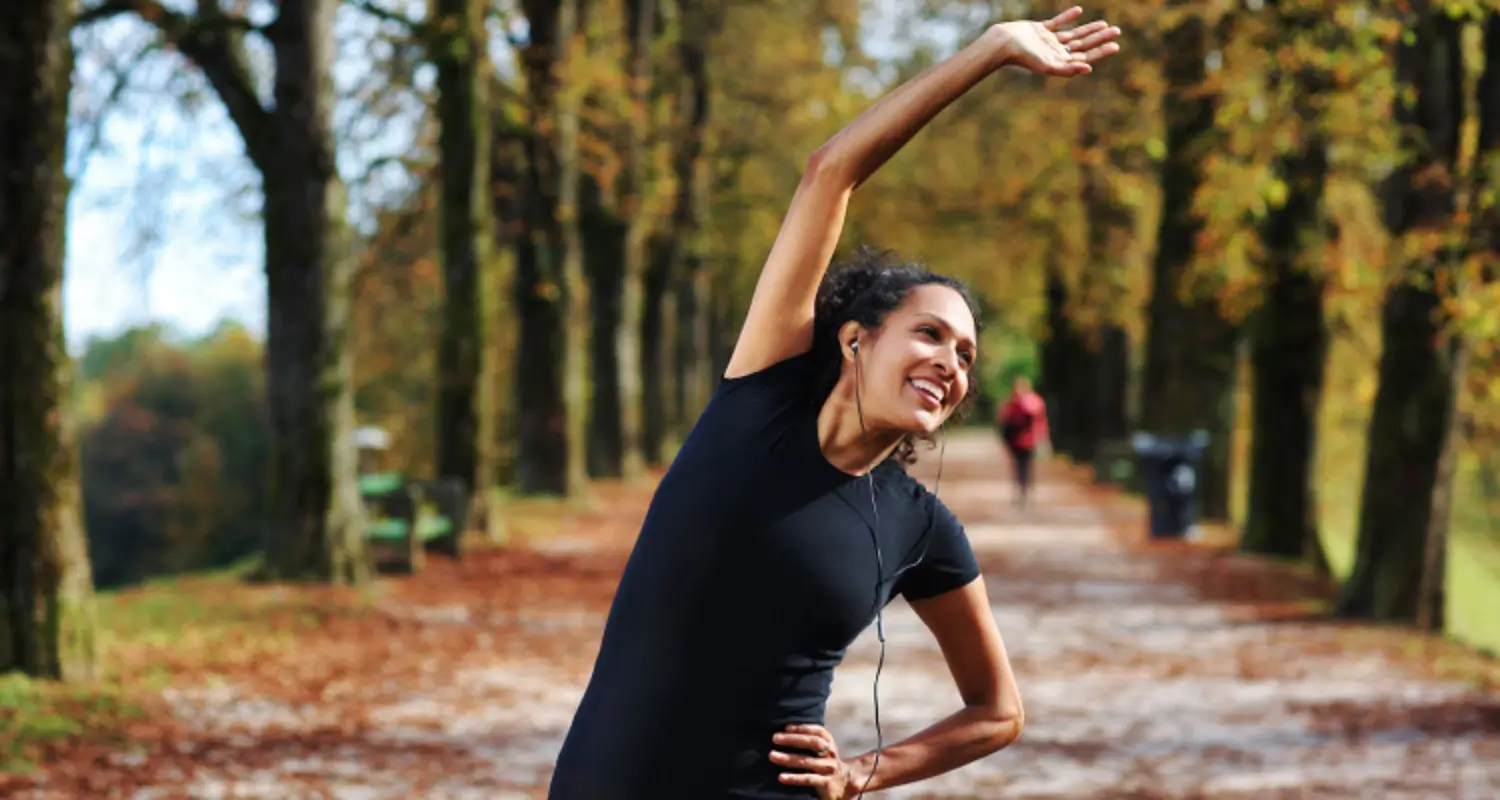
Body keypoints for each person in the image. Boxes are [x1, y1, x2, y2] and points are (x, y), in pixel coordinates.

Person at [548, 9, 1121, 799]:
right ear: (856, 338)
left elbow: (997, 711)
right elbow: (830, 170)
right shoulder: (764, 397)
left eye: (966, 356)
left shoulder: (921, 526)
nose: (951, 364)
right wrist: (989, 54)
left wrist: (861, 774)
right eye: (930, 333)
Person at [996, 375, 1050, 509]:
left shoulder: (1013, 403)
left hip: (1024, 441)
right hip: (1022, 442)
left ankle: (1023, 490)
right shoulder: (1035, 402)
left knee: (1023, 466)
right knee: (1023, 466)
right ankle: (1024, 490)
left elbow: (1004, 421)